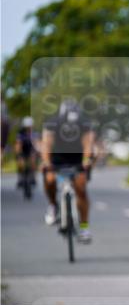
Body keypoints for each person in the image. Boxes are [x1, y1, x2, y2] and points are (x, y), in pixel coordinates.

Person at [40, 100, 95, 243]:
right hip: (57, 157)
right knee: (50, 179)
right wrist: (46, 162)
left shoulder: (84, 123)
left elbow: (88, 144)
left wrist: (87, 160)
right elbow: (46, 144)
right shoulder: (53, 123)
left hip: (77, 158)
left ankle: (84, 227)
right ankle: (53, 205)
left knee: (81, 188)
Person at [14, 117, 37, 189]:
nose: (28, 128)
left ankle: (33, 177)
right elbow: (18, 144)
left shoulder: (34, 133)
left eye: (30, 126)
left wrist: (36, 152)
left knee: (33, 161)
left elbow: (36, 143)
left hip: (31, 150)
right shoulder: (20, 133)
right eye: (27, 126)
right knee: (21, 164)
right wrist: (19, 154)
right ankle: (20, 178)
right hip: (23, 151)